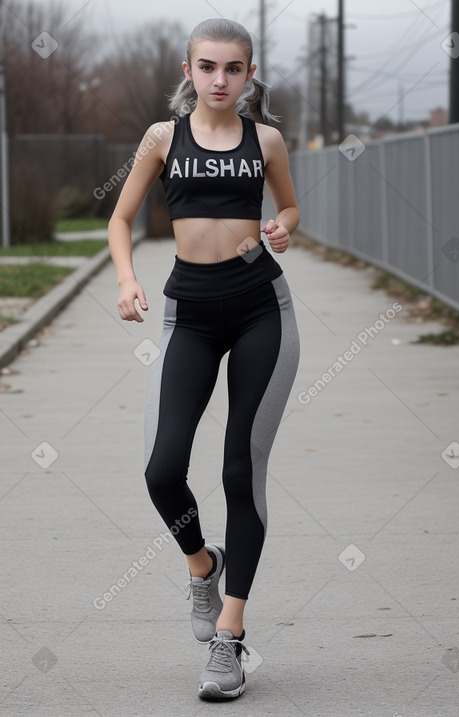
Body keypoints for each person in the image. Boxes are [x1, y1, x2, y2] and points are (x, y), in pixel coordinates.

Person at [108, 17, 300, 701]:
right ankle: (202, 563)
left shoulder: (266, 140)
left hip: (260, 310)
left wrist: (283, 226)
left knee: (241, 468)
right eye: (208, 67)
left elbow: (291, 207)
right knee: (163, 469)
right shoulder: (163, 139)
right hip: (187, 311)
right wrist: (128, 280)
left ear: (250, 76)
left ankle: (231, 636)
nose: (221, 80)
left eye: (235, 68)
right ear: (188, 73)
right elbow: (120, 218)